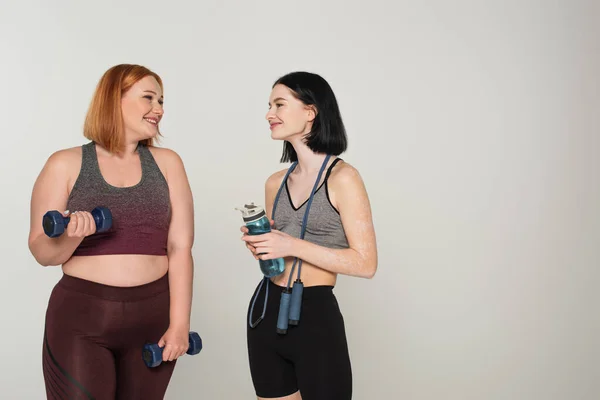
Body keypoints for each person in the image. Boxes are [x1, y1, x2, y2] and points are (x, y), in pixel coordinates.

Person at [28, 64, 195, 399]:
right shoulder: (65, 163)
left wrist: (179, 325)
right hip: (82, 319)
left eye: (162, 100)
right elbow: (42, 253)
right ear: (113, 100)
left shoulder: (168, 163)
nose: (159, 109)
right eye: (148, 97)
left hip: (153, 316)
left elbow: (180, 248)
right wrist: (72, 236)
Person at [241, 71, 378, 400]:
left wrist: (290, 244)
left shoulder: (343, 178)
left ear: (310, 112)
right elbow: (276, 255)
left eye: (279, 104)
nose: (269, 114)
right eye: (269, 105)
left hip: (315, 316)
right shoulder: (275, 182)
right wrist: (262, 246)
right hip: (265, 311)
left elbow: (365, 264)